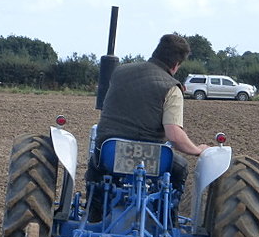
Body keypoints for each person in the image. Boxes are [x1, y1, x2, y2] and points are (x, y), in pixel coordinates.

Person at [87, 34, 209, 208]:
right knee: (179, 167)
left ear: (156, 52)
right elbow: (173, 134)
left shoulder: (119, 72)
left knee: (95, 167)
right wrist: (197, 150)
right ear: (176, 65)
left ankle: (94, 210)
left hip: (109, 151)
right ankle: (168, 215)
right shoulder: (171, 87)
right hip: (151, 157)